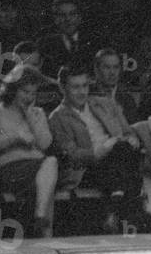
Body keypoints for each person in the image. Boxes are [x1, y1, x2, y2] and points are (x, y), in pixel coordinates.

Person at [49, 64, 143, 232]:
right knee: (125, 159)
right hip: (88, 168)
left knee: (124, 150)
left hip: (117, 157)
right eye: (75, 87)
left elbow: (128, 131)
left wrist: (132, 138)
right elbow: (72, 155)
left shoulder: (105, 103)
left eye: (85, 86)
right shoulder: (57, 118)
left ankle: (114, 208)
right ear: (62, 88)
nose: (82, 92)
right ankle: (118, 212)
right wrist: (100, 151)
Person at [0, 64, 58, 237]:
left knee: (50, 166)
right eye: (25, 92)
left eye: (33, 93)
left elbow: (45, 144)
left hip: (38, 167)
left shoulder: (38, 113)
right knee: (46, 185)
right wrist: (15, 138)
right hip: (10, 167)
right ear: (13, 90)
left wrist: (31, 118)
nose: (29, 97)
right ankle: (43, 232)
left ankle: (39, 218)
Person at [92, 47, 140, 124]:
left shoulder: (128, 100)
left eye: (116, 67)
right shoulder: (86, 95)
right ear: (96, 69)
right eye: (107, 67)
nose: (112, 72)